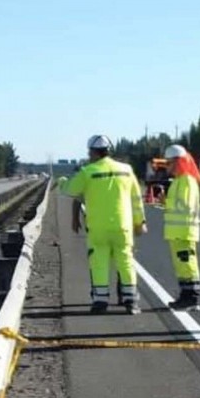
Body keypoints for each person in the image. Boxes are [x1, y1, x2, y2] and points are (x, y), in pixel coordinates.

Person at [61, 135, 147, 314]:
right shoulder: (126, 170)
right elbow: (136, 199)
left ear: (93, 151)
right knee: (125, 261)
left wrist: (61, 181)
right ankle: (131, 302)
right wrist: (140, 222)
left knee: (99, 262)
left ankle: (100, 302)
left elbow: (70, 190)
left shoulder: (88, 172)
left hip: (98, 228)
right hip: (122, 226)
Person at [163, 144, 200, 310]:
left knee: (187, 264)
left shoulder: (186, 180)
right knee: (182, 264)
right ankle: (185, 296)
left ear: (178, 162)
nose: (167, 167)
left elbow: (184, 205)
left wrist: (168, 202)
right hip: (178, 232)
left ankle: (191, 298)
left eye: (169, 163)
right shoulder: (179, 180)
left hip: (184, 231)